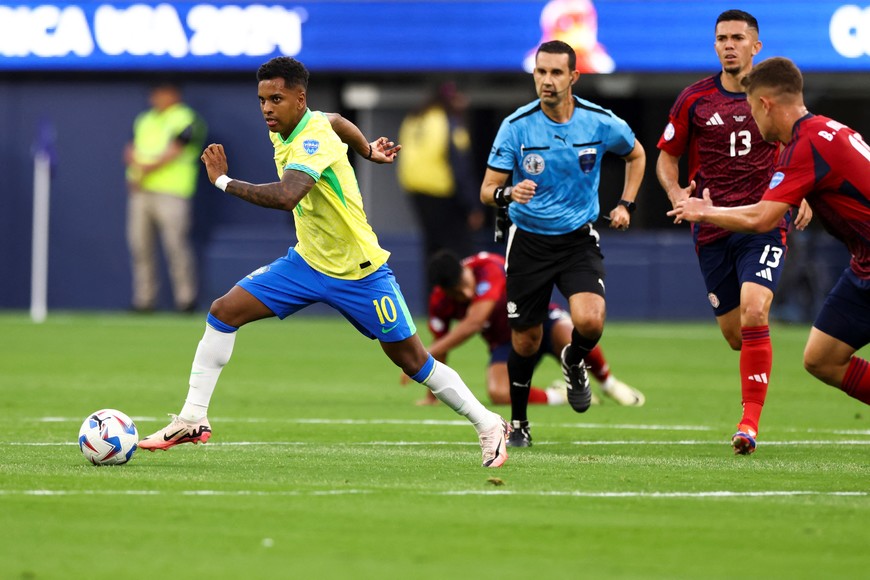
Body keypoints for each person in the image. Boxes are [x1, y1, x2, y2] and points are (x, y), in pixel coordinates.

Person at [138, 57, 510, 468]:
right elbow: (337, 119)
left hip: (360, 272)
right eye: (262, 99)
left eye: (276, 99)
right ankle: (192, 417)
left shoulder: (311, 138)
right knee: (223, 311)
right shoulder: (298, 123)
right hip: (307, 263)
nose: (266, 108)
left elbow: (286, 196)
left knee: (413, 360)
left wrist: (223, 181)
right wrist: (367, 149)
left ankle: (489, 423)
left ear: (300, 98)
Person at [669, 57, 870, 444]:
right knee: (821, 359)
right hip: (863, 267)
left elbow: (762, 218)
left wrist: (707, 212)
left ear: (764, 104)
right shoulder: (824, 131)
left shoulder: (805, 145)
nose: (752, 122)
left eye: (750, 110)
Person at [656, 10, 812, 455]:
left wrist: (803, 193)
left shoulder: (774, 96)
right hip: (711, 226)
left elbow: (804, 145)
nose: (729, 45)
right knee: (735, 334)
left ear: (755, 46)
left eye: (738, 38)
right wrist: (675, 195)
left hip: (764, 220)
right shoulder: (695, 100)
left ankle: (749, 424)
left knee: (755, 311)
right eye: (722, 38)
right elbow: (667, 158)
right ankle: (756, 371)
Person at [480, 40, 645, 447]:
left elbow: (637, 154)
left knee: (590, 321)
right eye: (541, 72)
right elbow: (487, 189)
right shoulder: (517, 126)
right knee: (526, 340)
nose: (547, 81)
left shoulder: (600, 122)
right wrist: (508, 194)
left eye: (556, 73)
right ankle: (518, 423)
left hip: (576, 239)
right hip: (528, 242)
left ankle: (573, 360)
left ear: (574, 76)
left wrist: (626, 204)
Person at [410, 250, 645, 409]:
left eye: (464, 285)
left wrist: (422, 354)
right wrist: (432, 393)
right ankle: (559, 395)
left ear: (465, 269)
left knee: (572, 335)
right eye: (456, 292)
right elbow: (441, 345)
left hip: (542, 321)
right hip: (506, 343)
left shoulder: (488, 265)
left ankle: (610, 384)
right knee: (498, 393)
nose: (466, 294)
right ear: (443, 290)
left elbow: (474, 322)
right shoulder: (439, 301)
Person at [124, 81, 206, 313]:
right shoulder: (145, 119)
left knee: (176, 247)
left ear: (172, 94)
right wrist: (134, 173)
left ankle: (186, 299)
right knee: (140, 247)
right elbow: (131, 149)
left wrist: (144, 167)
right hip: (141, 192)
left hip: (172, 193)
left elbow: (175, 150)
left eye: (160, 93)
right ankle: (144, 300)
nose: (155, 97)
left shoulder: (185, 118)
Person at [397, 82, 484, 287]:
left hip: (416, 191)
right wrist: (472, 206)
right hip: (442, 192)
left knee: (433, 249)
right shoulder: (447, 120)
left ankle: (434, 301)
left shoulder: (415, 117)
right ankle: (464, 297)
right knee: (459, 250)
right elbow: (459, 165)